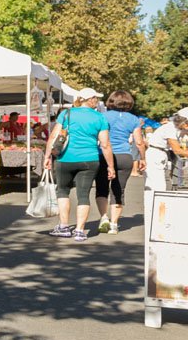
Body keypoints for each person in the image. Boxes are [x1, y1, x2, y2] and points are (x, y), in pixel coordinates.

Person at [43, 88, 114, 242]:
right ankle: (80, 231)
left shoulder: (66, 114)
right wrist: (110, 166)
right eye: (95, 98)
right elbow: (105, 144)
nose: (97, 100)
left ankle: (63, 226)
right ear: (90, 100)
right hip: (90, 159)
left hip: (65, 158)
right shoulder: (100, 117)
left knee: (62, 191)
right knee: (83, 194)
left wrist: (47, 156)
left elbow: (53, 137)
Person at [94, 90, 146, 235]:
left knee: (102, 188)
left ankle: (104, 217)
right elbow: (139, 142)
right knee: (119, 190)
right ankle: (114, 224)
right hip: (124, 156)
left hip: (104, 155)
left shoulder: (102, 116)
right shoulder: (134, 119)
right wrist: (142, 158)